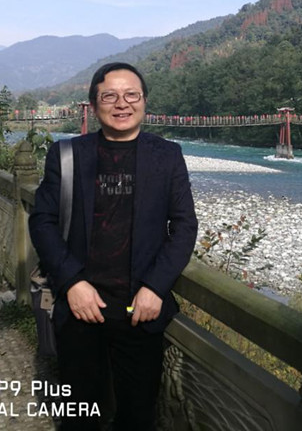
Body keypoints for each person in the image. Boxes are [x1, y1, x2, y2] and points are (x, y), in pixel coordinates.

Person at [29, 63, 198, 431]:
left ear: (144, 101)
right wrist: (72, 282)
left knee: (137, 417)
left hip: (140, 311)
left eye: (131, 95)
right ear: (93, 105)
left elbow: (184, 225)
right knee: (79, 417)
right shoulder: (67, 154)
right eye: (110, 96)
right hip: (81, 308)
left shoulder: (166, 155)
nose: (122, 104)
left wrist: (156, 287)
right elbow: (42, 221)